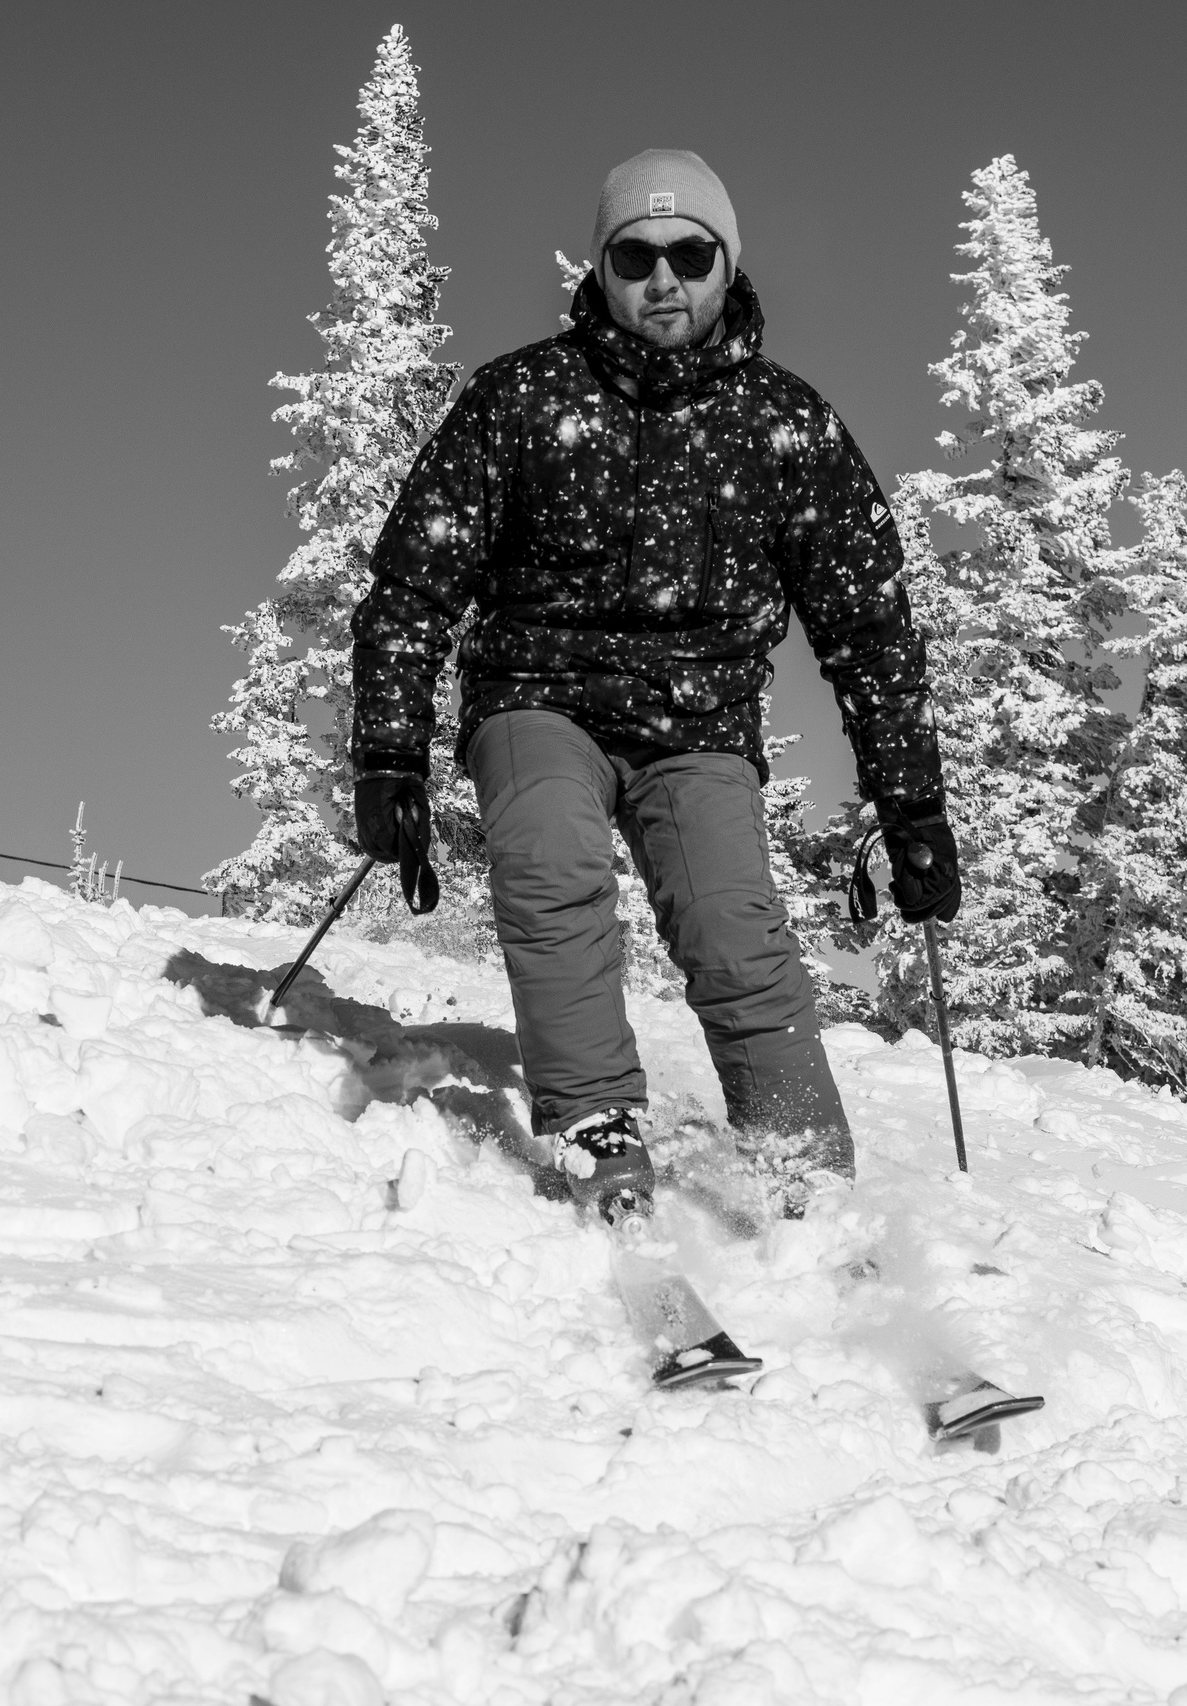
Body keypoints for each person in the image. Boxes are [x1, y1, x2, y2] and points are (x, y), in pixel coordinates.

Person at [348, 149, 959, 1223]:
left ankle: (801, 1173)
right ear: (602, 267)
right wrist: (389, 752)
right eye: (635, 254)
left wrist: (912, 806)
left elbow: (868, 630)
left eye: (689, 253)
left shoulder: (786, 426)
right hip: (541, 693)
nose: (662, 279)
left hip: (697, 724)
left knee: (735, 929)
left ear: (727, 265)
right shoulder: (521, 400)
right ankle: (600, 1130)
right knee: (550, 866)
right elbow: (415, 581)